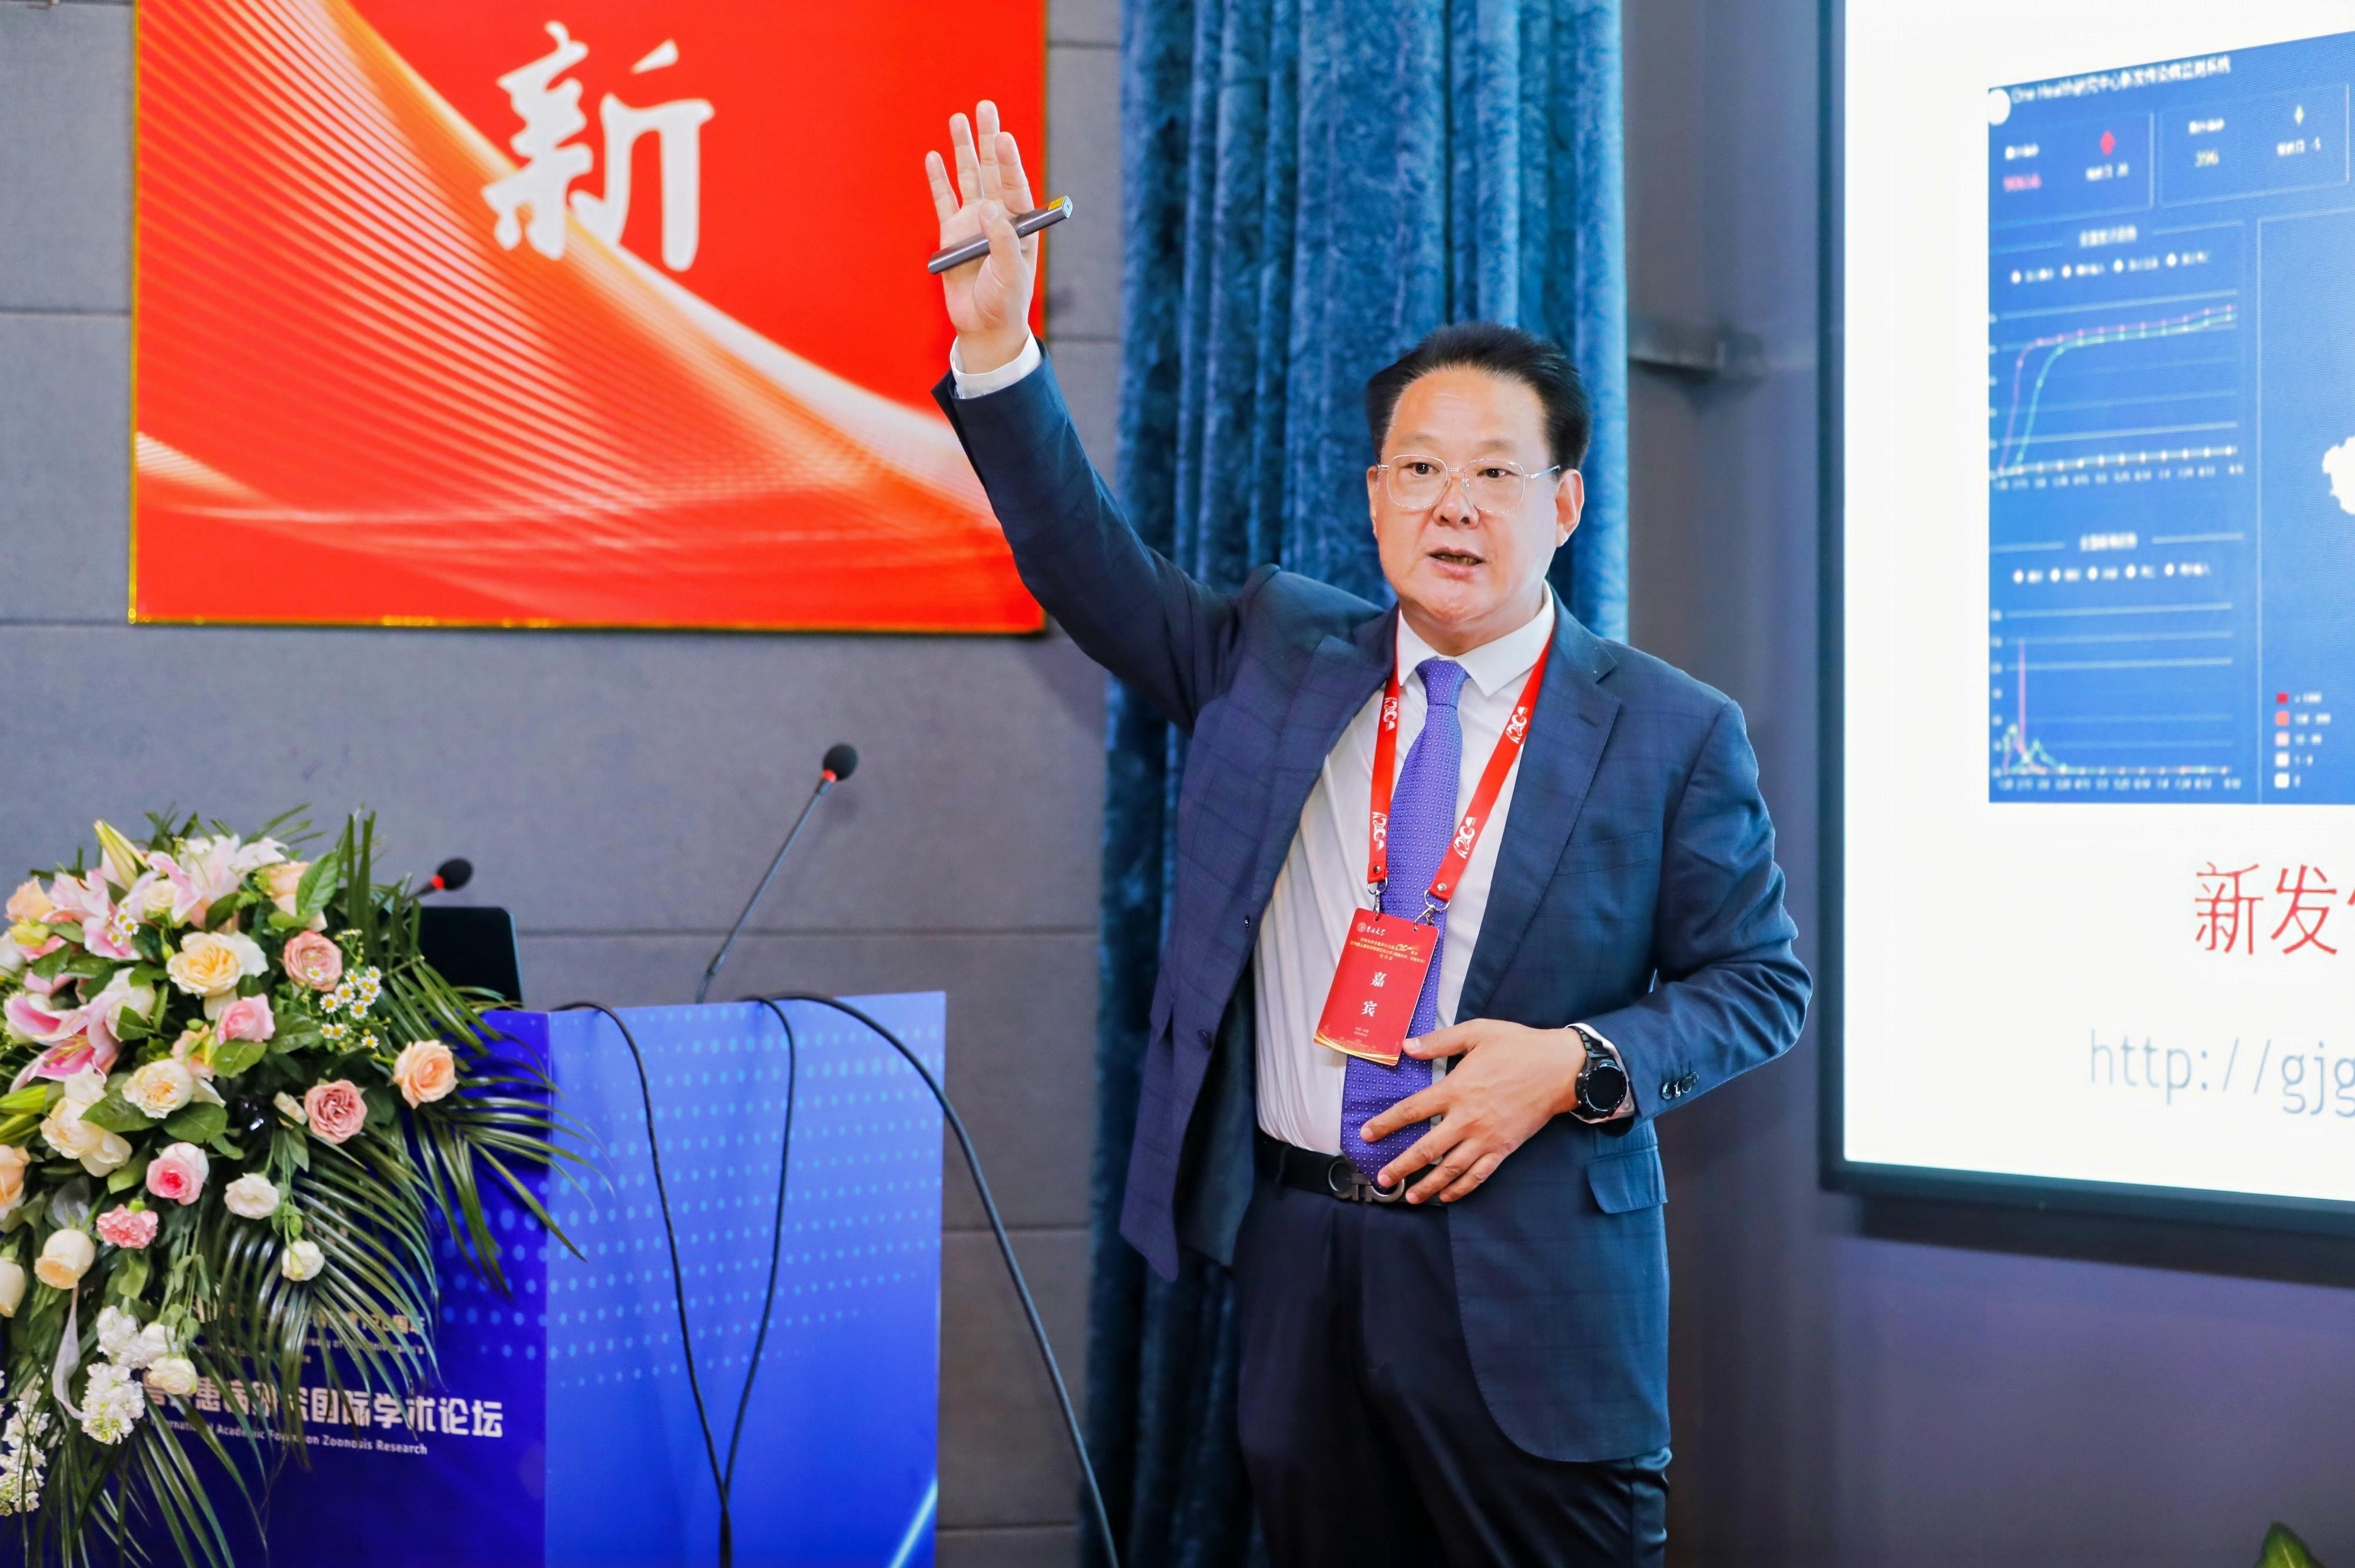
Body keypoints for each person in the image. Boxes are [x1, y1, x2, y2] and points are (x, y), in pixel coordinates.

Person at [921, 101, 1808, 1567]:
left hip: (1532, 1279)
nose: (1453, 505)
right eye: (1418, 468)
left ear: (1564, 503)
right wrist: (1000, 349)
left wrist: (1575, 1062)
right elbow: (1086, 561)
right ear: (1375, 497)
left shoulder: (1667, 727)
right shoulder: (1276, 653)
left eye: (1495, 472)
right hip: (1302, 1258)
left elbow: (1760, 984)